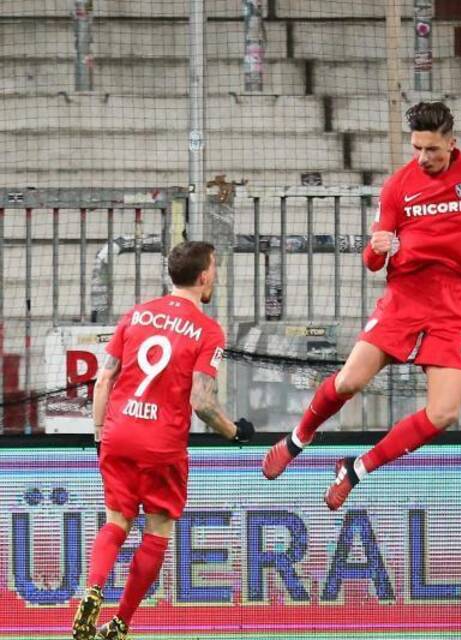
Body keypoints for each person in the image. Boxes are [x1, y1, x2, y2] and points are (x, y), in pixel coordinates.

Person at [262, 101, 461, 510]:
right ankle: (298, 438)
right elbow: (373, 260)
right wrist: (376, 250)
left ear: (452, 143)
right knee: (348, 382)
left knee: (445, 412)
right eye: (417, 148)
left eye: (432, 149)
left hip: (454, 306)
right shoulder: (398, 186)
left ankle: (356, 468)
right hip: (404, 299)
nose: (423, 158)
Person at [71, 241, 254, 640]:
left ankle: (93, 589)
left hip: (118, 434)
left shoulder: (136, 315)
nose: (216, 276)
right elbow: (202, 402)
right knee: (156, 532)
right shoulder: (207, 330)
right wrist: (234, 431)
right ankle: (119, 623)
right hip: (162, 445)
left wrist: (101, 434)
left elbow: (104, 379)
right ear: (204, 275)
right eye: (215, 269)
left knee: (117, 520)